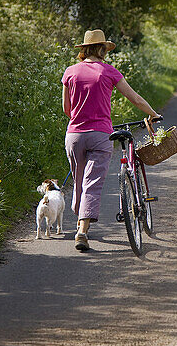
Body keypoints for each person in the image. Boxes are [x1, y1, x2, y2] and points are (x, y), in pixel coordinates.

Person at [62, 29, 160, 252]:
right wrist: (153, 114)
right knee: (92, 183)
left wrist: (81, 118)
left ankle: (80, 220)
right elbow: (134, 98)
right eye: (104, 48)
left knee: (78, 181)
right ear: (100, 49)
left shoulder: (70, 72)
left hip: (74, 135)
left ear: (84, 49)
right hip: (101, 135)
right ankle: (82, 231)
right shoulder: (109, 72)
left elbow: (66, 109)